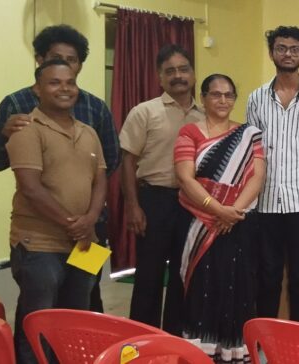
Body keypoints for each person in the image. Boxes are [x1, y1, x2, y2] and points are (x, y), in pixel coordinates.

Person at [0, 24, 118, 313]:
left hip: (88, 233)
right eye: (55, 59)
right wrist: (2, 135)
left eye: (71, 61)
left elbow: (107, 167)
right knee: (40, 311)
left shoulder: (94, 111)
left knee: (83, 305)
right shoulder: (19, 111)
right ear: (40, 63)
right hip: (41, 238)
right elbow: (18, 176)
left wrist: (88, 220)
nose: (63, 86)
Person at [7, 59, 108, 364]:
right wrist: (72, 224)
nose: (64, 88)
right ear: (37, 89)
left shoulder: (88, 132)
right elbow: (31, 188)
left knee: (76, 320)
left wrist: (90, 220)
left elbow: (101, 180)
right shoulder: (26, 129)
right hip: (39, 244)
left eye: (70, 82)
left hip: (84, 243)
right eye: (54, 82)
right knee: (39, 321)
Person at [174, 74, 264, 362]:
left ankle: (232, 353)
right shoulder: (189, 132)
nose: (223, 100)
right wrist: (217, 209)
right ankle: (198, 354)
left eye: (228, 95)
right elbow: (185, 178)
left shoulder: (249, 134)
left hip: (237, 224)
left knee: (236, 286)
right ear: (203, 98)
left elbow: (257, 177)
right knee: (201, 287)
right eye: (215, 94)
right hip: (198, 222)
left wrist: (232, 212)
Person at [246, 25, 299, 323]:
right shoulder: (256, 99)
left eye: (295, 49)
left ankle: (298, 338)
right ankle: (264, 338)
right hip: (265, 203)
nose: (288, 54)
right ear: (272, 53)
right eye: (281, 48)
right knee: (266, 276)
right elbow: (251, 152)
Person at [120, 44, 200, 334]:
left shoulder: (204, 116)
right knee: (149, 276)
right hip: (153, 200)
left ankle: (175, 337)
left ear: (192, 73)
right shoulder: (144, 112)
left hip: (191, 204)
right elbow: (127, 161)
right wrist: (133, 206)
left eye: (183, 69)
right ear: (160, 77)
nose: (178, 76)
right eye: (170, 71)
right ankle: (143, 339)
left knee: (183, 274)